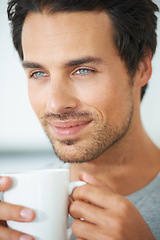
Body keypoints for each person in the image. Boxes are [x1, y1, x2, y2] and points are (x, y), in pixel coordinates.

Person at [0, 0, 160, 239]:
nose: (55, 103)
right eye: (39, 73)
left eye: (83, 70)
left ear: (141, 67)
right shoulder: (10, 213)